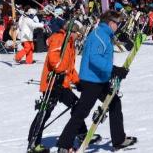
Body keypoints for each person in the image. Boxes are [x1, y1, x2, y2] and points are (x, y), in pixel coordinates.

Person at [56, 11, 136, 152]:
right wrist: (113, 69)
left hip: (100, 79)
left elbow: (102, 58)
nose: (119, 26)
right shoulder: (99, 35)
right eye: (118, 23)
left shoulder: (104, 34)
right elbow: (95, 59)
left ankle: (119, 139)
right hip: (92, 81)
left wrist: (112, 73)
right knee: (82, 112)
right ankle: (64, 144)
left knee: (114, 103)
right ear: (111, 23)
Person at [27, 18, 96, 153]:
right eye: (78, 34)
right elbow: (55, 63)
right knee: (45, 112)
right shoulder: (59, 39)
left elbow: (69, 68)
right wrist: (63, 71)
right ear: (73, 32)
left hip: (62, 84)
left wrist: (77, 81)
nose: (79, 37)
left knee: (77, 106)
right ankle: (33, 143)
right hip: (52, 83)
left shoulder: (69, 44)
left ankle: (81, 134)